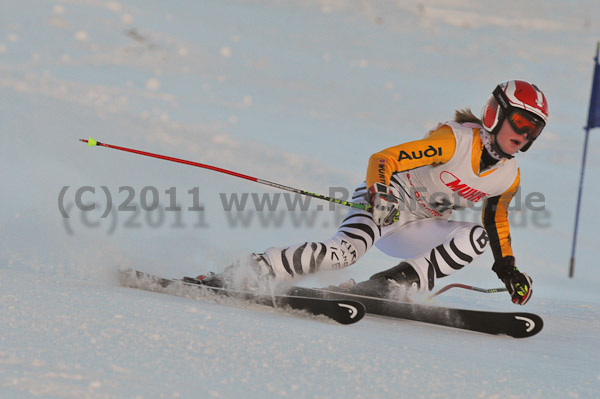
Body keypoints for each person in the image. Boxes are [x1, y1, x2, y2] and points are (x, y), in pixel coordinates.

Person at [202, 80, 548, 306]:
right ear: (496, 114)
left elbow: (496, 220)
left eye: (533, 130)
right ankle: (248, 271)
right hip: (386, 204)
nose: (524, 136)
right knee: (343, 255)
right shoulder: (455, 141)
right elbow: (384, 159)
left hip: (416, 227)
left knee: (475, 237)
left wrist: (508, 269)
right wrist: (381, 194)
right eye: (519, 123)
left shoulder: (508, 175)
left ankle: (387, 286)